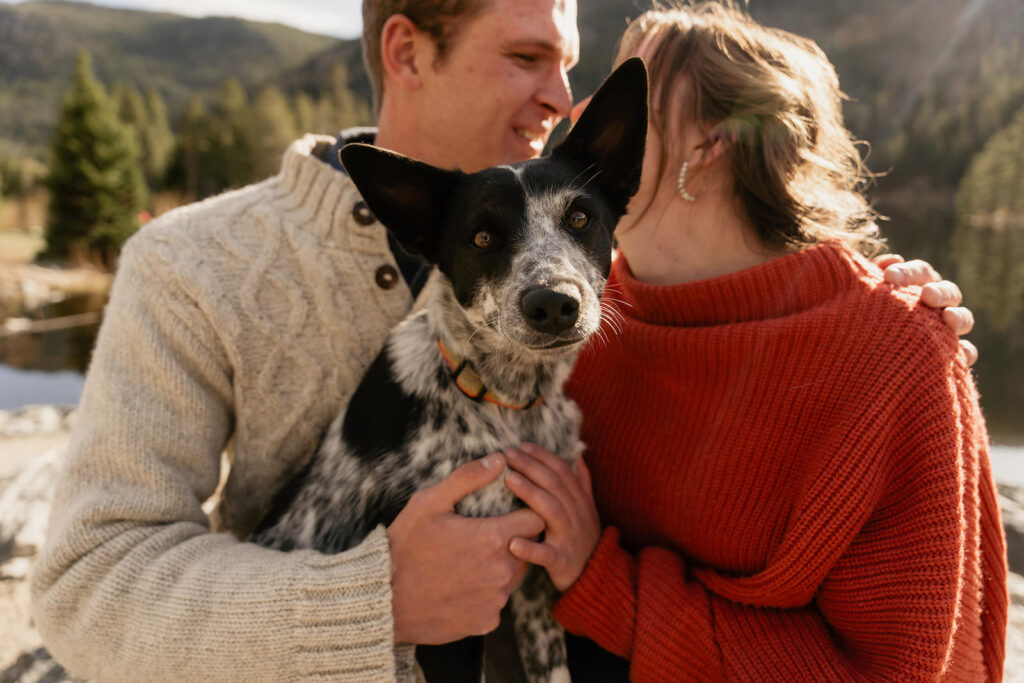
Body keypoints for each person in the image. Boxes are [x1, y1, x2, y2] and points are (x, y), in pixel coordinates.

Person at [29, 0, 977, 680]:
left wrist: (877, 305)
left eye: (571, 64)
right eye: (529, 58)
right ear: (406, 50)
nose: (563, 100)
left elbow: (757, 277)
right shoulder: (194, 266)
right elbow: (83, 587)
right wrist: (371, 603)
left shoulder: (604, 280)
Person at [495, 3, 1008, 681]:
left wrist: (608, 585)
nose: (582, 107)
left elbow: (891, 670)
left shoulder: (893, 360)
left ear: (715, 144)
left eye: (630, 88)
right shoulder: (575, 317)